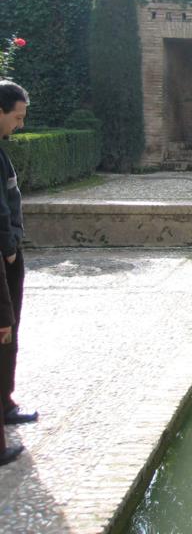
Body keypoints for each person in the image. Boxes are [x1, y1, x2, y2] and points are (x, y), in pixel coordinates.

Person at [0, 80, 33, 466]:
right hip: (3, 258)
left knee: (9, 328)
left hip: (8, 254)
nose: (19, 125)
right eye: (17, 116)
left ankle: (5, 401)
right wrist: (8, 249)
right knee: (3, 327)